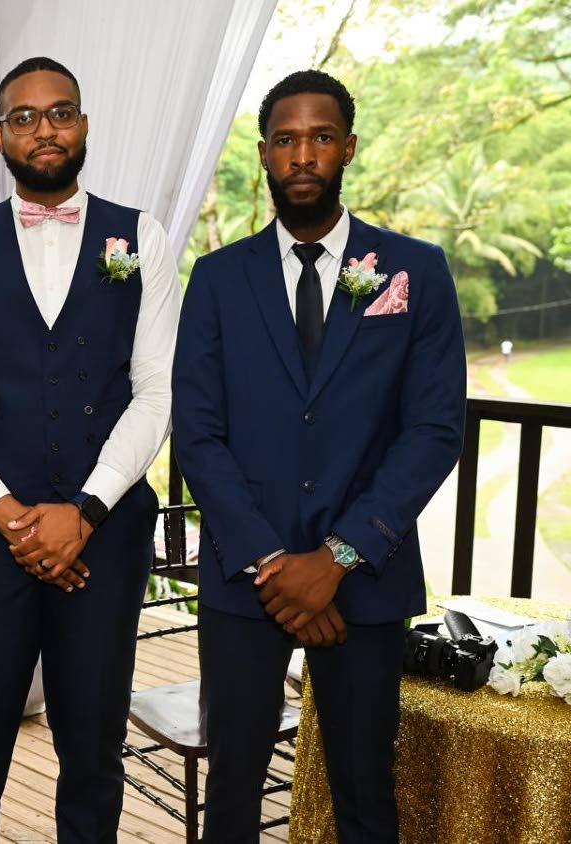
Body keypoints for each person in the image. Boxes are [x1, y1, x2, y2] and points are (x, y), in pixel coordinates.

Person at [172, 69, 466, 843]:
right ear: (265, 154)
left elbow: (434, 429)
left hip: (364, 582)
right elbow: (198, 431)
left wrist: (336, 557)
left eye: (321, 137)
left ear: (349, 149)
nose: (303, 154)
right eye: (286, 139)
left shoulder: (415, 272)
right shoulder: (216, 279)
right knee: (231, 786)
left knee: (365, 789)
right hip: (247, 582)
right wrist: (275, 562)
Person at [0, 57, 180, 842]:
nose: (45, 129)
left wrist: (88, 509)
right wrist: (9, 515)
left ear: (85, 124)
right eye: (26, 117)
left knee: (94, 745)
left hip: (106, 535)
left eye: (60, 112)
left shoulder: (143, 236)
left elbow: (157, 390)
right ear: (0, 134)